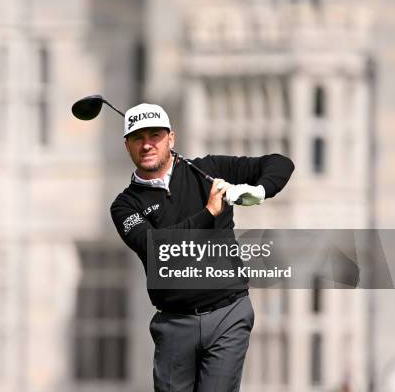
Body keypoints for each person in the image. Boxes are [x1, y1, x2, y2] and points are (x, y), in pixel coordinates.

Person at [110, 103, 294, 392]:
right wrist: (209, 213)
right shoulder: (125, 205)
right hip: (174, 323)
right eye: (138, 138)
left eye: (154, 135)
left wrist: (258, 191)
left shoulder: (208, 170)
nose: (147, 145)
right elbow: (157, 248)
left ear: (171, 138)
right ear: (127, 145)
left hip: (228, 313)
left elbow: (279, 163)